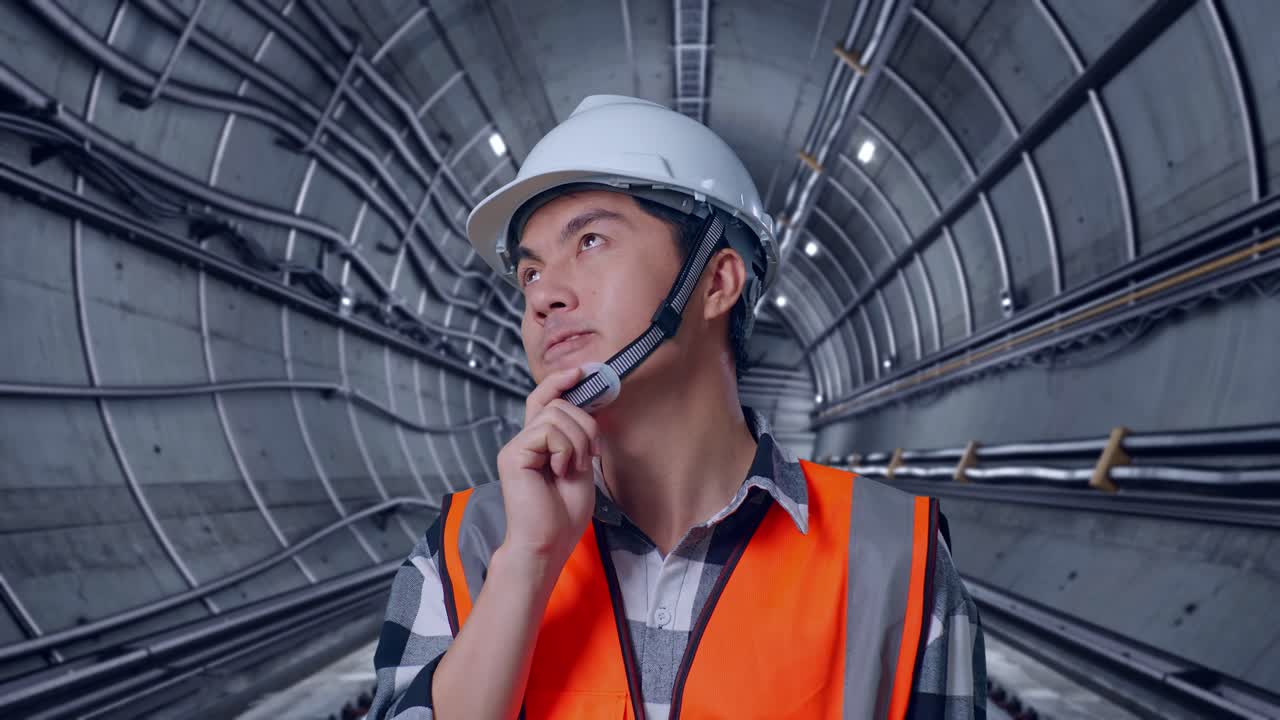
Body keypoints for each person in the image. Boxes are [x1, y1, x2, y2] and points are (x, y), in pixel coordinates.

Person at [368, 95, 985, 719]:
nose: (543, 296)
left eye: (590, 240)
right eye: (529, 273)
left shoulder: (892, 558)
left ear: (716, 283)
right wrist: (524, 566)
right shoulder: (466, 548)